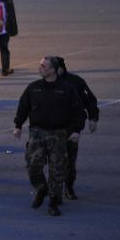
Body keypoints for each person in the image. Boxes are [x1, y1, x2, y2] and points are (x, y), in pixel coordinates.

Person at [14, 56, 85, 216]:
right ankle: (41, 187)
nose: (40, 68)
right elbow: (23, 106)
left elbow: (78, 112)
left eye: (44, 66)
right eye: (40, 65)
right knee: (33, 165)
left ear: (53, 70)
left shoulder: (66, 89)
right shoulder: (33, 88)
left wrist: (75, 130)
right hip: (37, 133)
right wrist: (18, 125)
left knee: (57, 170)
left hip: (58, 134)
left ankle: (53, 202)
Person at [56, 56, 99, 200]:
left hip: (70, 128)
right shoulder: (46, 82)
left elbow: (90, 100)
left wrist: (93, 117)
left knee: (70, 161)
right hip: (52, 129)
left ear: (61, 68)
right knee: (54, 161)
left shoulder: (76, 82)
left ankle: (68, 187)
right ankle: (54, 190)